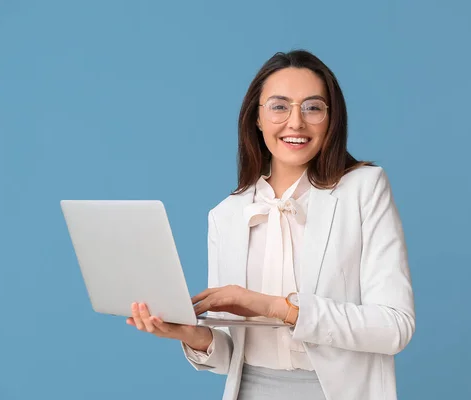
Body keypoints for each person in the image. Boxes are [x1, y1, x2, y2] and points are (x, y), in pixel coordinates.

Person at [126, 49, 415, 400]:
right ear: (257, 119)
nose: (296, 122)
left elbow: (394, 328)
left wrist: (277, 307)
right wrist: (192, 334)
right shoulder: (227, 213)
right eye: (279, 106)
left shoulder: (365, 188)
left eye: (312, 107)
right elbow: (231, 355)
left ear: (331, 118)